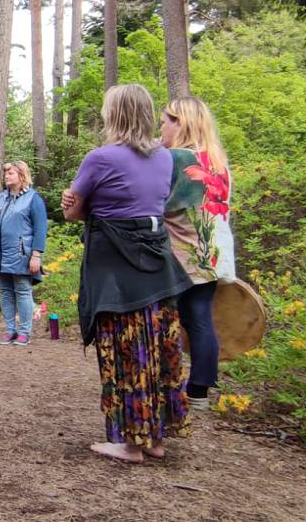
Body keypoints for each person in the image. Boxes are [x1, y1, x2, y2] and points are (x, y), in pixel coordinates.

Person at [61, 84, 193, 464]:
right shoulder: (165, 158)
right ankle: (156, 439)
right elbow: (144, 203)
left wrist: (76, 203)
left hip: (116, 269)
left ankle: (130, 443)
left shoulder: (100, 158)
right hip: (157, 260)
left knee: (125, 349)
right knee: (158, 345)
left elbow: (74, 211)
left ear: (114, 115)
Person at [160, 96, 236, 408]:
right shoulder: (216, 160)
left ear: (181, 123)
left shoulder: (179, 158)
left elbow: (164, 205)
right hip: (211, 251)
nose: (161, 126)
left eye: (165, 120)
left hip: (181, 252)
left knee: (168, 319)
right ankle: (200, 390)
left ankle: (167, 383)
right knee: (200, 317)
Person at [0, 161, 48, 345]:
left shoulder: (33, 198)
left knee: (22, 290)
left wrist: (36, 255)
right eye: (6, 173)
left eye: (11, 173)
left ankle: (24, 331)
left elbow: (40, 229)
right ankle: (10, 330)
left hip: (22, 254)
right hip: (0, 253)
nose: (7, 176)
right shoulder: (0, 199)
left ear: (22, 175)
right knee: (5, 292)